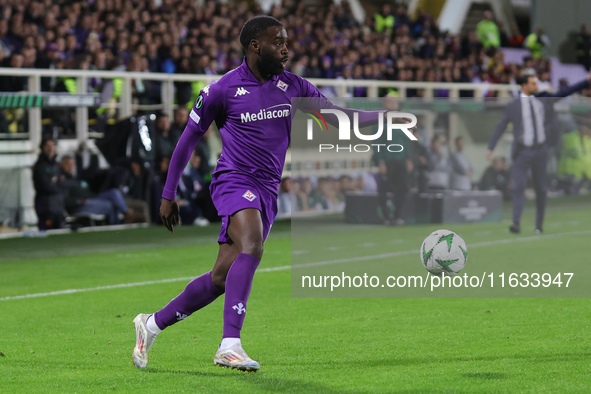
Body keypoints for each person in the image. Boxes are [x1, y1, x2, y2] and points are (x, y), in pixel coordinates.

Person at [132, 16, 380, 372]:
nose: (285, 48)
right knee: (253, 246)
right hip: (233, 181)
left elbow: (338, 117)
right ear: (254, 46)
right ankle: (229, 345)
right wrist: (168, 195)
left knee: (221, 277)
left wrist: (386, 119)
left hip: (266, 191)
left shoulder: (293, 87)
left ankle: (151, 324)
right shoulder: (221, 90)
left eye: (286, 41)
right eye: (277, 41)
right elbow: (187, 142)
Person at [486, 71, 591, 234]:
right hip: (523, 152)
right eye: (533, 83)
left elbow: (563, 93)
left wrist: (585, 81)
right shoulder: (514, 106)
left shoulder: (543, 99)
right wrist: (491, 147)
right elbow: (501, 126)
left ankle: (539, 225)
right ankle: (516, 223)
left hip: (541, 151)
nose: (536, 86)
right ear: (524, 86)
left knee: (541, 189)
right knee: (518, 187)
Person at [32, 137, 65, 230]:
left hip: (58, 205)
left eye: (52, 145)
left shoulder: (57, 165)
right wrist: (56, 183)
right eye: (47, 146)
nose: (50, 148)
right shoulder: (40, 166)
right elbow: (45, 186)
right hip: (45, 206)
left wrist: (56, 183)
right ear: (42, 148)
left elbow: (63, 182)